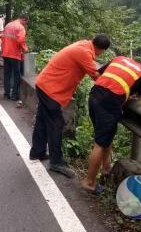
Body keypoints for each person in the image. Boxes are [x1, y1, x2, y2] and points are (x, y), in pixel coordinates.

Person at [30, 34, 111, 178]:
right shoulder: (84, 53)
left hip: (45, 84)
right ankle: (56, 162)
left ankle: (37, 152)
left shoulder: (84, 45)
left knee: (42, 120)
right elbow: (96, 76)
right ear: (101, 50)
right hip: (51, 90)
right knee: (56, 124)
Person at [81, 56, 141, 194]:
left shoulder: (121, 59)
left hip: (94, 95)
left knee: (106, 138)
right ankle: (89, 183)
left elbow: (98, 74)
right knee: (100, 143)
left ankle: (106, 169)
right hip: (109, 103)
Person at [1, 12, 29, 101]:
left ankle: (6, 94)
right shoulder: (20, 27)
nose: (25, 24)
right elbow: (21, 41)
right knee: (16, 75)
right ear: (24, 20)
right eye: (26, 22)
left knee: (7, 74)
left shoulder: (8, 25)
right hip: (14, 54)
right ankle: (14, 95)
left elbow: (3, 38)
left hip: (5, 53)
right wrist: (25, 49)